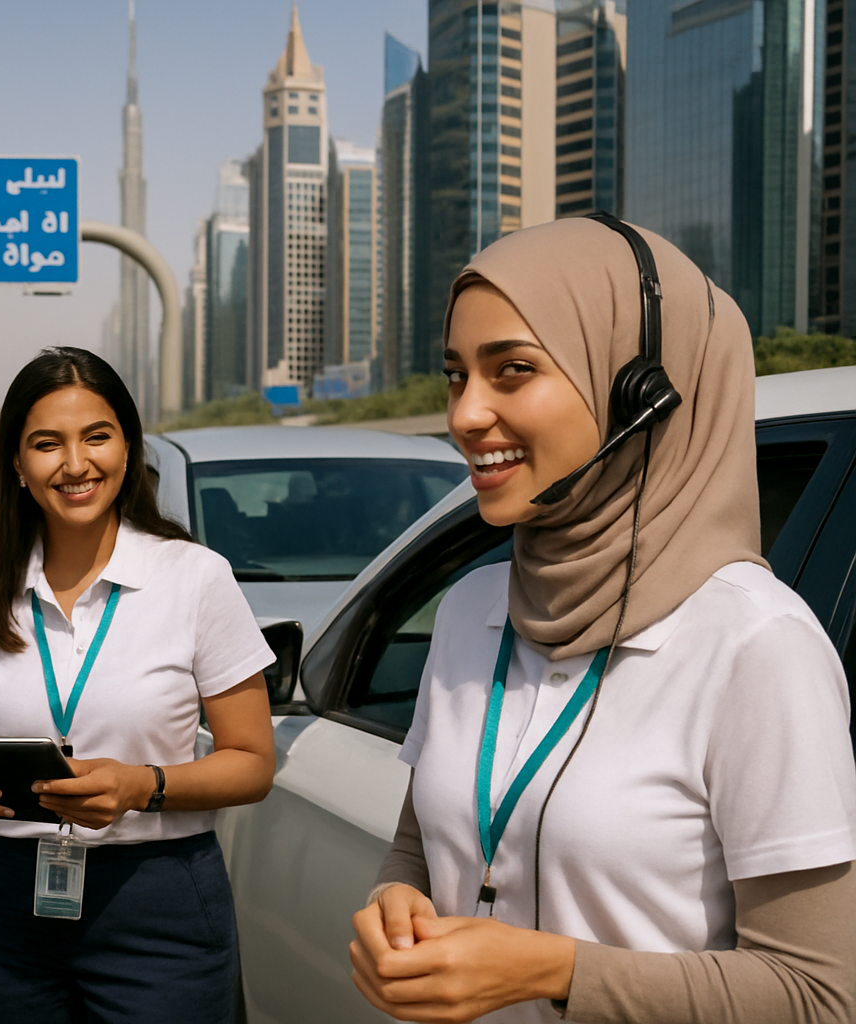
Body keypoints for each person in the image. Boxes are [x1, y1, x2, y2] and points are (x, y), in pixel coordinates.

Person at [350, 216, 856, 1023]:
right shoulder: (475, 606)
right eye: (454, 376)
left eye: (512, 370)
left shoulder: (757, 646)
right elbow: (418, 846)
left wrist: (553, 971)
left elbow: (818, 996)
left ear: (641, 396)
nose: (465, 415)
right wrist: (393, 901)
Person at [0, 347, 277, 1024]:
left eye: (97, 437)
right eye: (47, 444)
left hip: (159, 898)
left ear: (127, 448)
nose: (76, 464)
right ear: (18, 466)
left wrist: (140, 785)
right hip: (11, 897)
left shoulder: (195, 578)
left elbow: (253, 764)